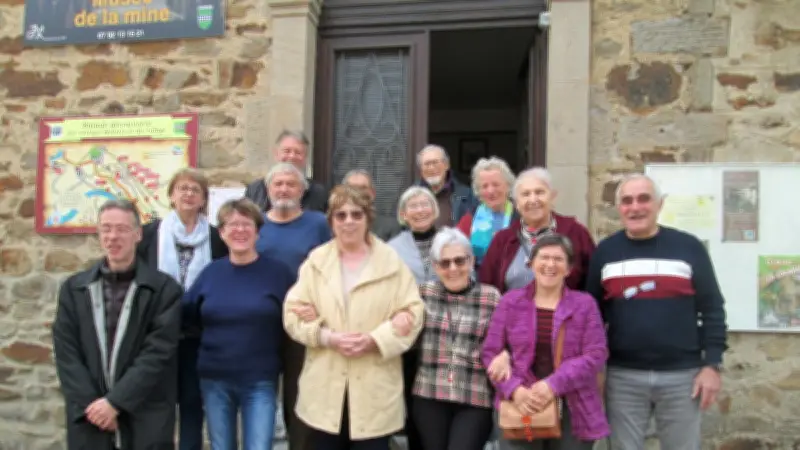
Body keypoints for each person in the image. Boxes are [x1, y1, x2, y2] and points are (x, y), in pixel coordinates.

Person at [585, 174, 727, 450]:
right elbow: (591, 317)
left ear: (660, 204)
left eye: (644, 199)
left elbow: (712, 309)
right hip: (623, 376)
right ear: (619, 208)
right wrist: (596, 372)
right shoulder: (605, 253)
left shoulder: (689, 248)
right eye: (627, 201)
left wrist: (712, 365)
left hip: (682, 376)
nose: (635, 207)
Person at [283, 185, 425, 450]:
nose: (349, 221)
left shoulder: (391, 262)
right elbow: (292, 314)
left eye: (357, 214)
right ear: (331, 221)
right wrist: (326, 336)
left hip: (374, 392)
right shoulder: (316, 262)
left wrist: (376, 339)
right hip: (324, 389)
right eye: (341, 215)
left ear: (368, 218)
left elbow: (413, 313)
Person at [53, 199, 182, 450]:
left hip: (144, 414)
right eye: (106, 228)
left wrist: (116, 403)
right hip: (91, 414)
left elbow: (157, 353)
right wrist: (95, 407)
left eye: (122, 229)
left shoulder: (164, 290)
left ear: (137, 234)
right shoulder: (75, 289)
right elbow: (67, 353)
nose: (113, 236)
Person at [183, 198, 296, 450]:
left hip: (260, 379)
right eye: (232, 225)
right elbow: (187, 313)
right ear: (222, 233)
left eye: (247, 224)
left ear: (257, 232)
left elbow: (296, 316)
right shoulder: (210, 273)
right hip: (214, 379)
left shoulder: (278, 273)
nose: (240, 230)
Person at [482, 234, 609, 449]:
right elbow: (490, 352)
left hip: (573, 407)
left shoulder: (584, 305)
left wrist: (553, 384)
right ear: (531, 264)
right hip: (521, 403)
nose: (550, 264)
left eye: (558, 259)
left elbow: (596, 354)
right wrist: (514, 390)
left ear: (568, 269)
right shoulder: (510, 302)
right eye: (544, 257)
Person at [136, 168, 228, 450]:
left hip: (198, 336)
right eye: (182, 188)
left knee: (192, 404)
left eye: (195, 190)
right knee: (157, 405)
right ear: (171, 196)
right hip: (157, 334)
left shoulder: (216, 238)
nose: (188, 194)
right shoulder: (150, 234)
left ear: (204, 200)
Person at [254, 162, 331, 450]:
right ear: (268, 189)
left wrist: (322, 309)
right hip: (263, 323)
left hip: (303, 323)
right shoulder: (255, 224)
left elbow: (332, 269)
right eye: (278, 184)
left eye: (291, 184)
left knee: (299, 396)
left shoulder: (319, 224)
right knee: (260, 395)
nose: (284, 189)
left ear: (302, 190)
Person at [412, 227, 501, 450]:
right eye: (445, 263)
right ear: (435, 267)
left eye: (460, 261)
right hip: (429, 393)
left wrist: (505, 355)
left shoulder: (491, 297)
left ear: (471, 261)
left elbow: (506, 339)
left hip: (474, 396)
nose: (453, 268)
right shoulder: (421, 294)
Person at [480, 167, 595, 293]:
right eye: (526, 194)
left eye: (539, 192)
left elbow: (593, 283)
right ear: (517, 203)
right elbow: (486, 288)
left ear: (552, 196)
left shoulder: (576, 233)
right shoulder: (502, 240)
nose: (533, 200)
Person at [386, 186, 441, 450]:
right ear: (403, 215)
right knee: (413, 398)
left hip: (444, 334)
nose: (420, 210)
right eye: (413, 206)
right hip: (410, 338)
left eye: (425, 204)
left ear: (435, 210)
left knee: (439, 400)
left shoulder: (452, 240)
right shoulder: (392, 249)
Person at [244, 129, 328, 213]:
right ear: (276, 154)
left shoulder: (318, 193)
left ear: (305, 158)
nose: (292, 156)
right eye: (287, 151)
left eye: (298, 152)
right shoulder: (255, 189)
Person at [456, 156, 517, 267]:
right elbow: (455, 250)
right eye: (484, 186)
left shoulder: (521, 216)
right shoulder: (469, 218)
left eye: (496, 184)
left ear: (508, 186)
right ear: (478, 191)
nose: (490, 191)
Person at [414, 145, 477, 227]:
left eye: (435, 162)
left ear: (447, 165)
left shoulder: (467, 195)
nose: (431, 168)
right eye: (427, 164)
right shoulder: (411, 196)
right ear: (421, 170)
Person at [343, 169, 402, 241]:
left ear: (372, 194)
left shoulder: (391, 227)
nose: (357, 192)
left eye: (363, 188)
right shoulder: (334, 224)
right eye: (352, 188)